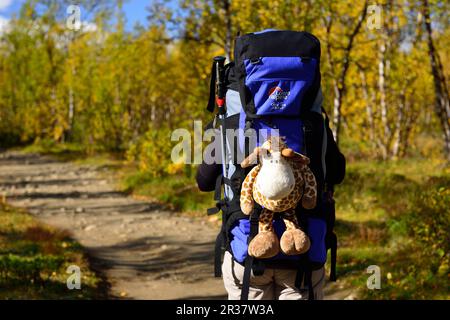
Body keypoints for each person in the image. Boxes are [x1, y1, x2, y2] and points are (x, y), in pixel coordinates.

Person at [196, 158, 326, 300]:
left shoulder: (232, 135)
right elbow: (336, 173)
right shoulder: (312, 134)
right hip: (304, 254)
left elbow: (204, 181)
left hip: (247, 250)